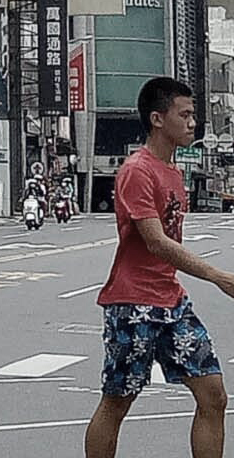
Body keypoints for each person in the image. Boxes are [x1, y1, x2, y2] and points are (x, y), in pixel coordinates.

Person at [85, 77, 232, 458]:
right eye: (184, 114)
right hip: (133, 303)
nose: (192, 122)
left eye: (193, 114)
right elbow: (156, 242)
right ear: (157, 119)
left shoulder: (173, 173)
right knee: (118, 400)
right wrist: (216, 276)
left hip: (171, 302)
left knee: (213, 395)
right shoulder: (138, 170)